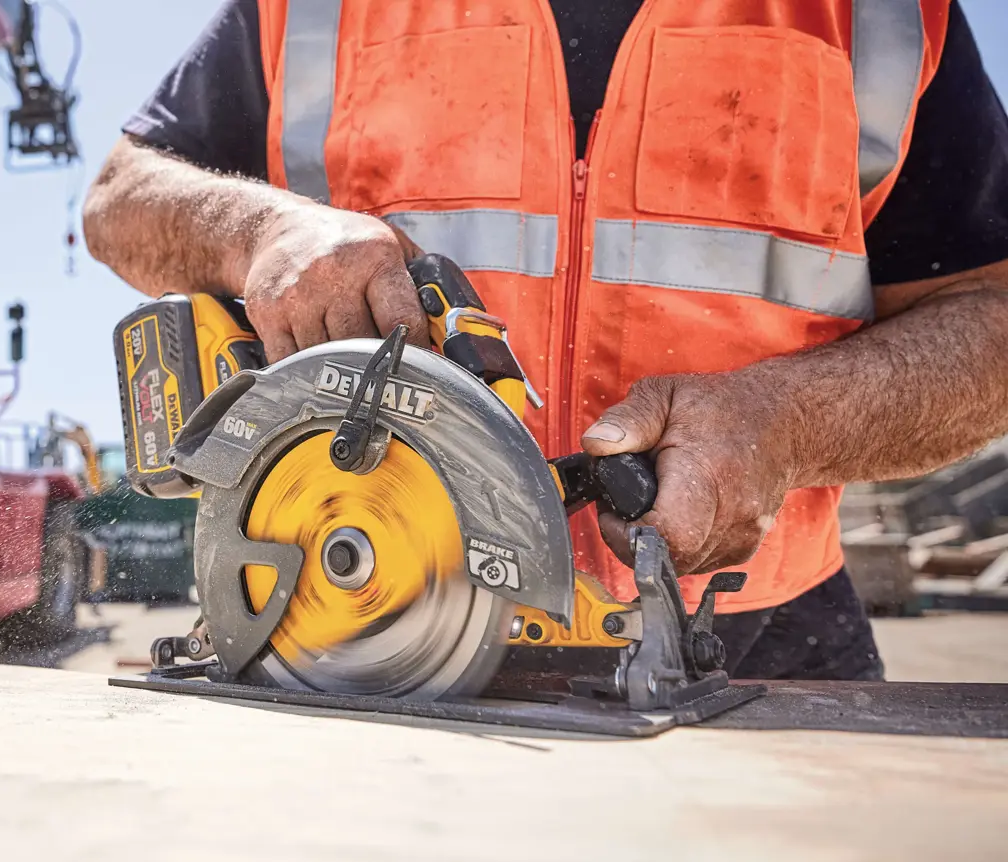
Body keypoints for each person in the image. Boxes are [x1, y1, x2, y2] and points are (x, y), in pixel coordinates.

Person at [82, 0, 1008, 681]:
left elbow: (991, 319)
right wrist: (262, 231)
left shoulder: (881, 14)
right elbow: (119, 200)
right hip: (355, 613)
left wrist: (785, 426)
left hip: (756, 625)